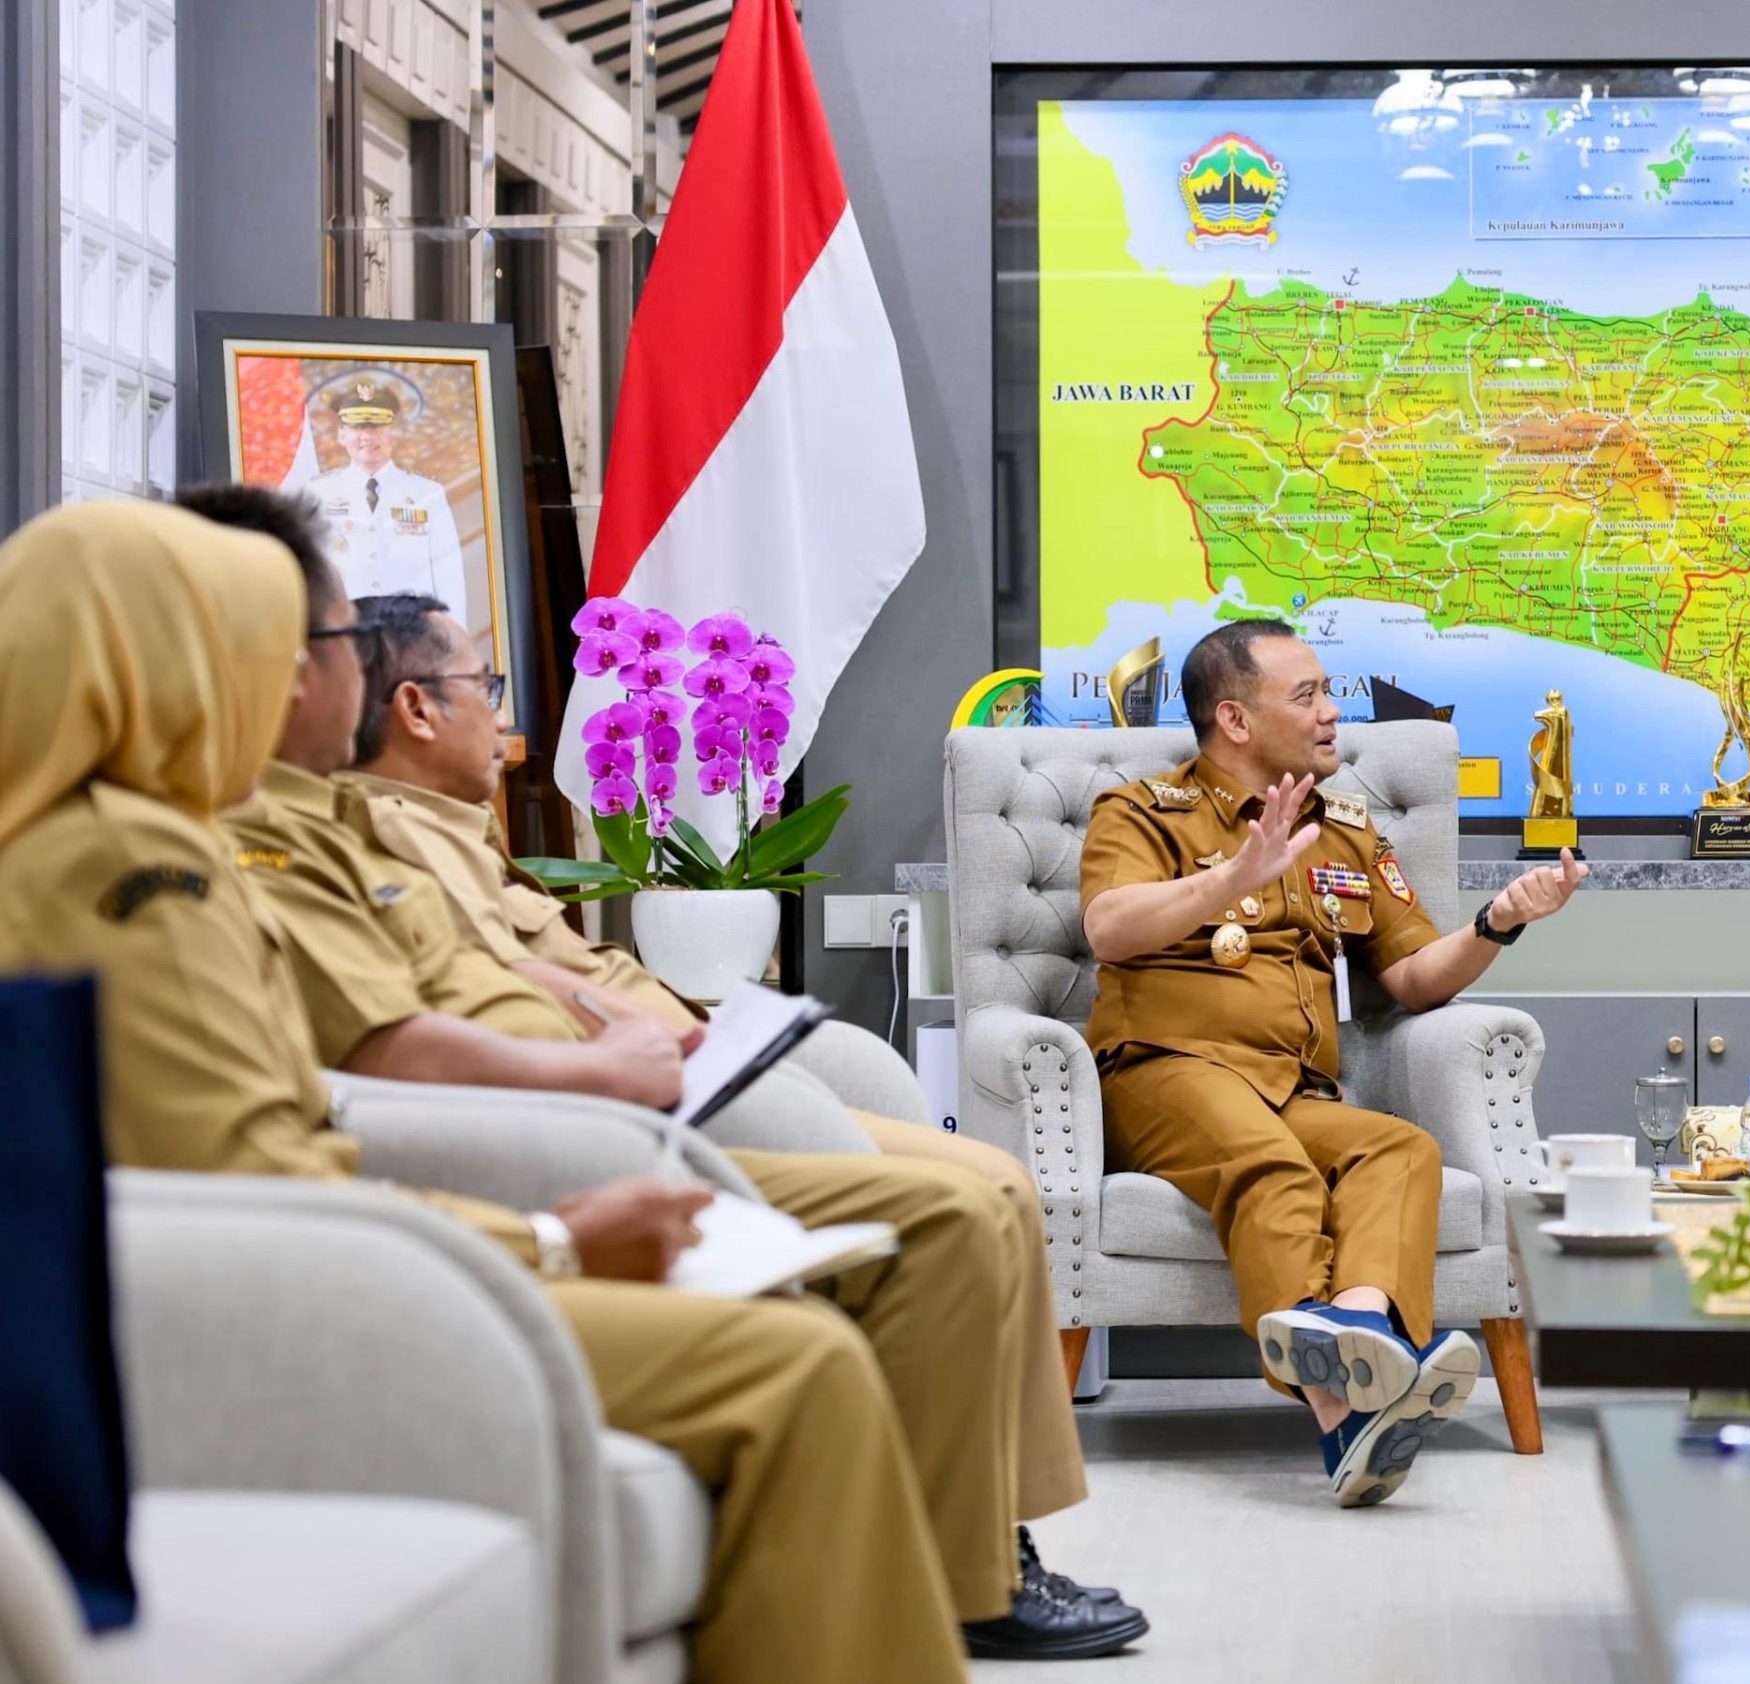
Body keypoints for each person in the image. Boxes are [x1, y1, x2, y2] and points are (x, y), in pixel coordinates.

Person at [0, 499, 966, 1684]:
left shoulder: (107, 837)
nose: (303, 680)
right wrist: (553, 1239)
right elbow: (266, 1169)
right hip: (294, 1299)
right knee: (796, 1365)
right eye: (277, 645)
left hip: (338, 1256)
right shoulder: (136, 864)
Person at [176, 485, 1140, 1661]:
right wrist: (577, 1141)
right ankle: (975, 1564)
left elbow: (490, 980)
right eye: (325, 644)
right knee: (944, 1218)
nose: (338, 673)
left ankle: (984, 1544)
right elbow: (371, 1059)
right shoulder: (249, 842)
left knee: (978, 1196)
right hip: (547, 1138)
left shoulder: (312, 824)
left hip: (607, 1101)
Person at [326, 586, 1101, 1574]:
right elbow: (467, 1007)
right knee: (976, 1194)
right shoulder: (372, 842)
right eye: (488, 685)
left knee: (998, 1184)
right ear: (417, 708)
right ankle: (985, 1550)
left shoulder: (457, 830)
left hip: (685, 1061)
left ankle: (991, 1529)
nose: (504, 715)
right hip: (640, 1101)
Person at [1080, 619, 1589, 1506]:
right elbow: (1109, 928)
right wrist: (1231, 878)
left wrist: (1498, 922)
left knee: (1401, 1149)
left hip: (1290, 1087)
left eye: (1328, 692)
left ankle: (1359, 1337)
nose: (1331, 714)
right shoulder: (1142, 812)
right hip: (1163, 1072)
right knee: (1273, 1167)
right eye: (1307, 695)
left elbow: (1414, 979)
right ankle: (1342, 1409)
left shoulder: (1346, 830)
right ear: (1235, 719)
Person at [296, 372, 468, 610]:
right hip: (348, 624)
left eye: (378, 426)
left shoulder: (427, 493)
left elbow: (448, 573)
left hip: (411, 624)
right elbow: (309, 572)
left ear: (395, 434)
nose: (368, 436)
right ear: (341, 434)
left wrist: (453, 630)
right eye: (357, 426)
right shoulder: (317, 494)